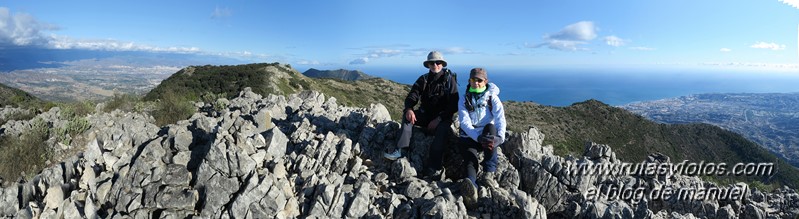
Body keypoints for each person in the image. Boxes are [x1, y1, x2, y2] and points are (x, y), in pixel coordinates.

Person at [384, 51, 459, 179]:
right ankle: (401, 151)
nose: (435, 65)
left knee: (441, 132)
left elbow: (453, 105)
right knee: (407, 117)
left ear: (442, 64)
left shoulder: (449, 81)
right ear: (428, 64)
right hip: (425, 114)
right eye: (432, 62)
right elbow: (413, 95)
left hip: (443, 117)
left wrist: (439, 119)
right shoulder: (423, 79)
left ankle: (434, 167)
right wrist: (409, 108)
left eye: (438, 62)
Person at [456, 67, 506, 209]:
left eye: (479, 80)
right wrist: (477, 138)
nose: (476, 83)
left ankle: (488, 173)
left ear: (485, 81)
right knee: (470, 159)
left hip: (486, 134)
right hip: (470, 135)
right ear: (469, 81)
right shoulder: (464, 98)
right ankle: (471, 186)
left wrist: (500, 138)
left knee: (491, 130)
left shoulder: (492, 98)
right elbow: (464, 122)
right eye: (473, 80)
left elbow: (500, 119)